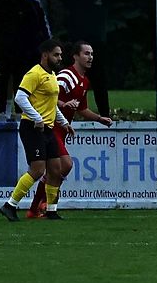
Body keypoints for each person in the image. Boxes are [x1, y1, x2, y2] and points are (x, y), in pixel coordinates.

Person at [27, 41, 114, 218]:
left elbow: (82, 109)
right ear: (75, 56)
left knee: (57, 170)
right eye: (86, 53)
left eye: (92, 54)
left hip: (62, 129)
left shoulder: (84, 81)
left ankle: (37, 207)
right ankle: (40, 205)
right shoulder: (66, 76)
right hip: (52, 127)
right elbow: (49, 96)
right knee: (64, 165)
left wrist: (99, 119)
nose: (90, 57)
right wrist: (63, 104)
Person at [0, 39, 76, 222]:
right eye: (56, 55)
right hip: (32, 128)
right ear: (45, 55)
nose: (60, 58)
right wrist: (37, 118)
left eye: (60, 55)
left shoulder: (52, 75)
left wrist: (64, 123)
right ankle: (10, 205)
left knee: (55, 170)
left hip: (47, 129)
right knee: (37, 170)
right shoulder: (34, 73)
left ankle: (51, 210)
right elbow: (20, 97)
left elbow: (51, 104)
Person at [0, 0, 49, 121]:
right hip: (4, 51)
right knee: (2, 81)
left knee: (22, 82)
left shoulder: (30, 5)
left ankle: (21, 112)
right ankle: (2, 111)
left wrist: (45, 45)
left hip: (25, 51)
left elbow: (41, 27)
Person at [63, 0, 111, 117]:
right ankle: (68, 112)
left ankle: (105, 114)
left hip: (97, 46)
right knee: (72, 80)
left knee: (99, 81)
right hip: (77, 46)